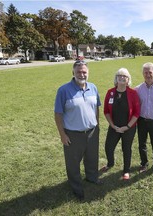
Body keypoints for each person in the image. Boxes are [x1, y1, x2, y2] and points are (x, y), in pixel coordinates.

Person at [54, 60, 101, 201]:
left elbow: (96, 107)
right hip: (73, 134)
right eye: (78, 72)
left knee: (92, 158)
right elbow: (58, 114)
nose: (82, 74)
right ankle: (76, 187)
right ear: (73, 73)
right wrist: (62, 135)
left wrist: (97, 125)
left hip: (92, 131)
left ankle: (92, 177)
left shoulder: (93, 87)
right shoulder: (63, 90)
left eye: (84, 72)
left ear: (88, 73)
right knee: (73, 162)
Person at [101, 68, 140, 180]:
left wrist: (127, 127)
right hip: (114, 127)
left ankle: (126, 170)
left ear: (128, 80)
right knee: (108, 147)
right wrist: (112, 125)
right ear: (116, 78)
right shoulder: (110, 92)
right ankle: (110, 163)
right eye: (119, 75)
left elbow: (137, 113)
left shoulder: (133, 93)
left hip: (128, 127)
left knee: (126, 148)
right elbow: (106, 111)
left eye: (125, 76)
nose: (122, 77)